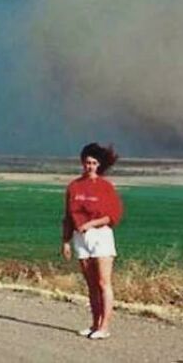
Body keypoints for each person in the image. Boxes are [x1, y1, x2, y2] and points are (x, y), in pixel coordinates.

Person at [61, 142, 123, 340]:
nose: (90, 166)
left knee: (104, 281)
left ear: (99, 165)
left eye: (94, 163)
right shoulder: (74, 186)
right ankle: (94, 323)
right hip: (80, 237)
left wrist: (91, 224)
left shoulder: (106, 187)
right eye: (87, 162)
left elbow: (113, 215)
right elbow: (68, 216)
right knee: (91, 283)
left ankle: (105, 326)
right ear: (83, 163)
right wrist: (66, 241)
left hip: (100, 235)